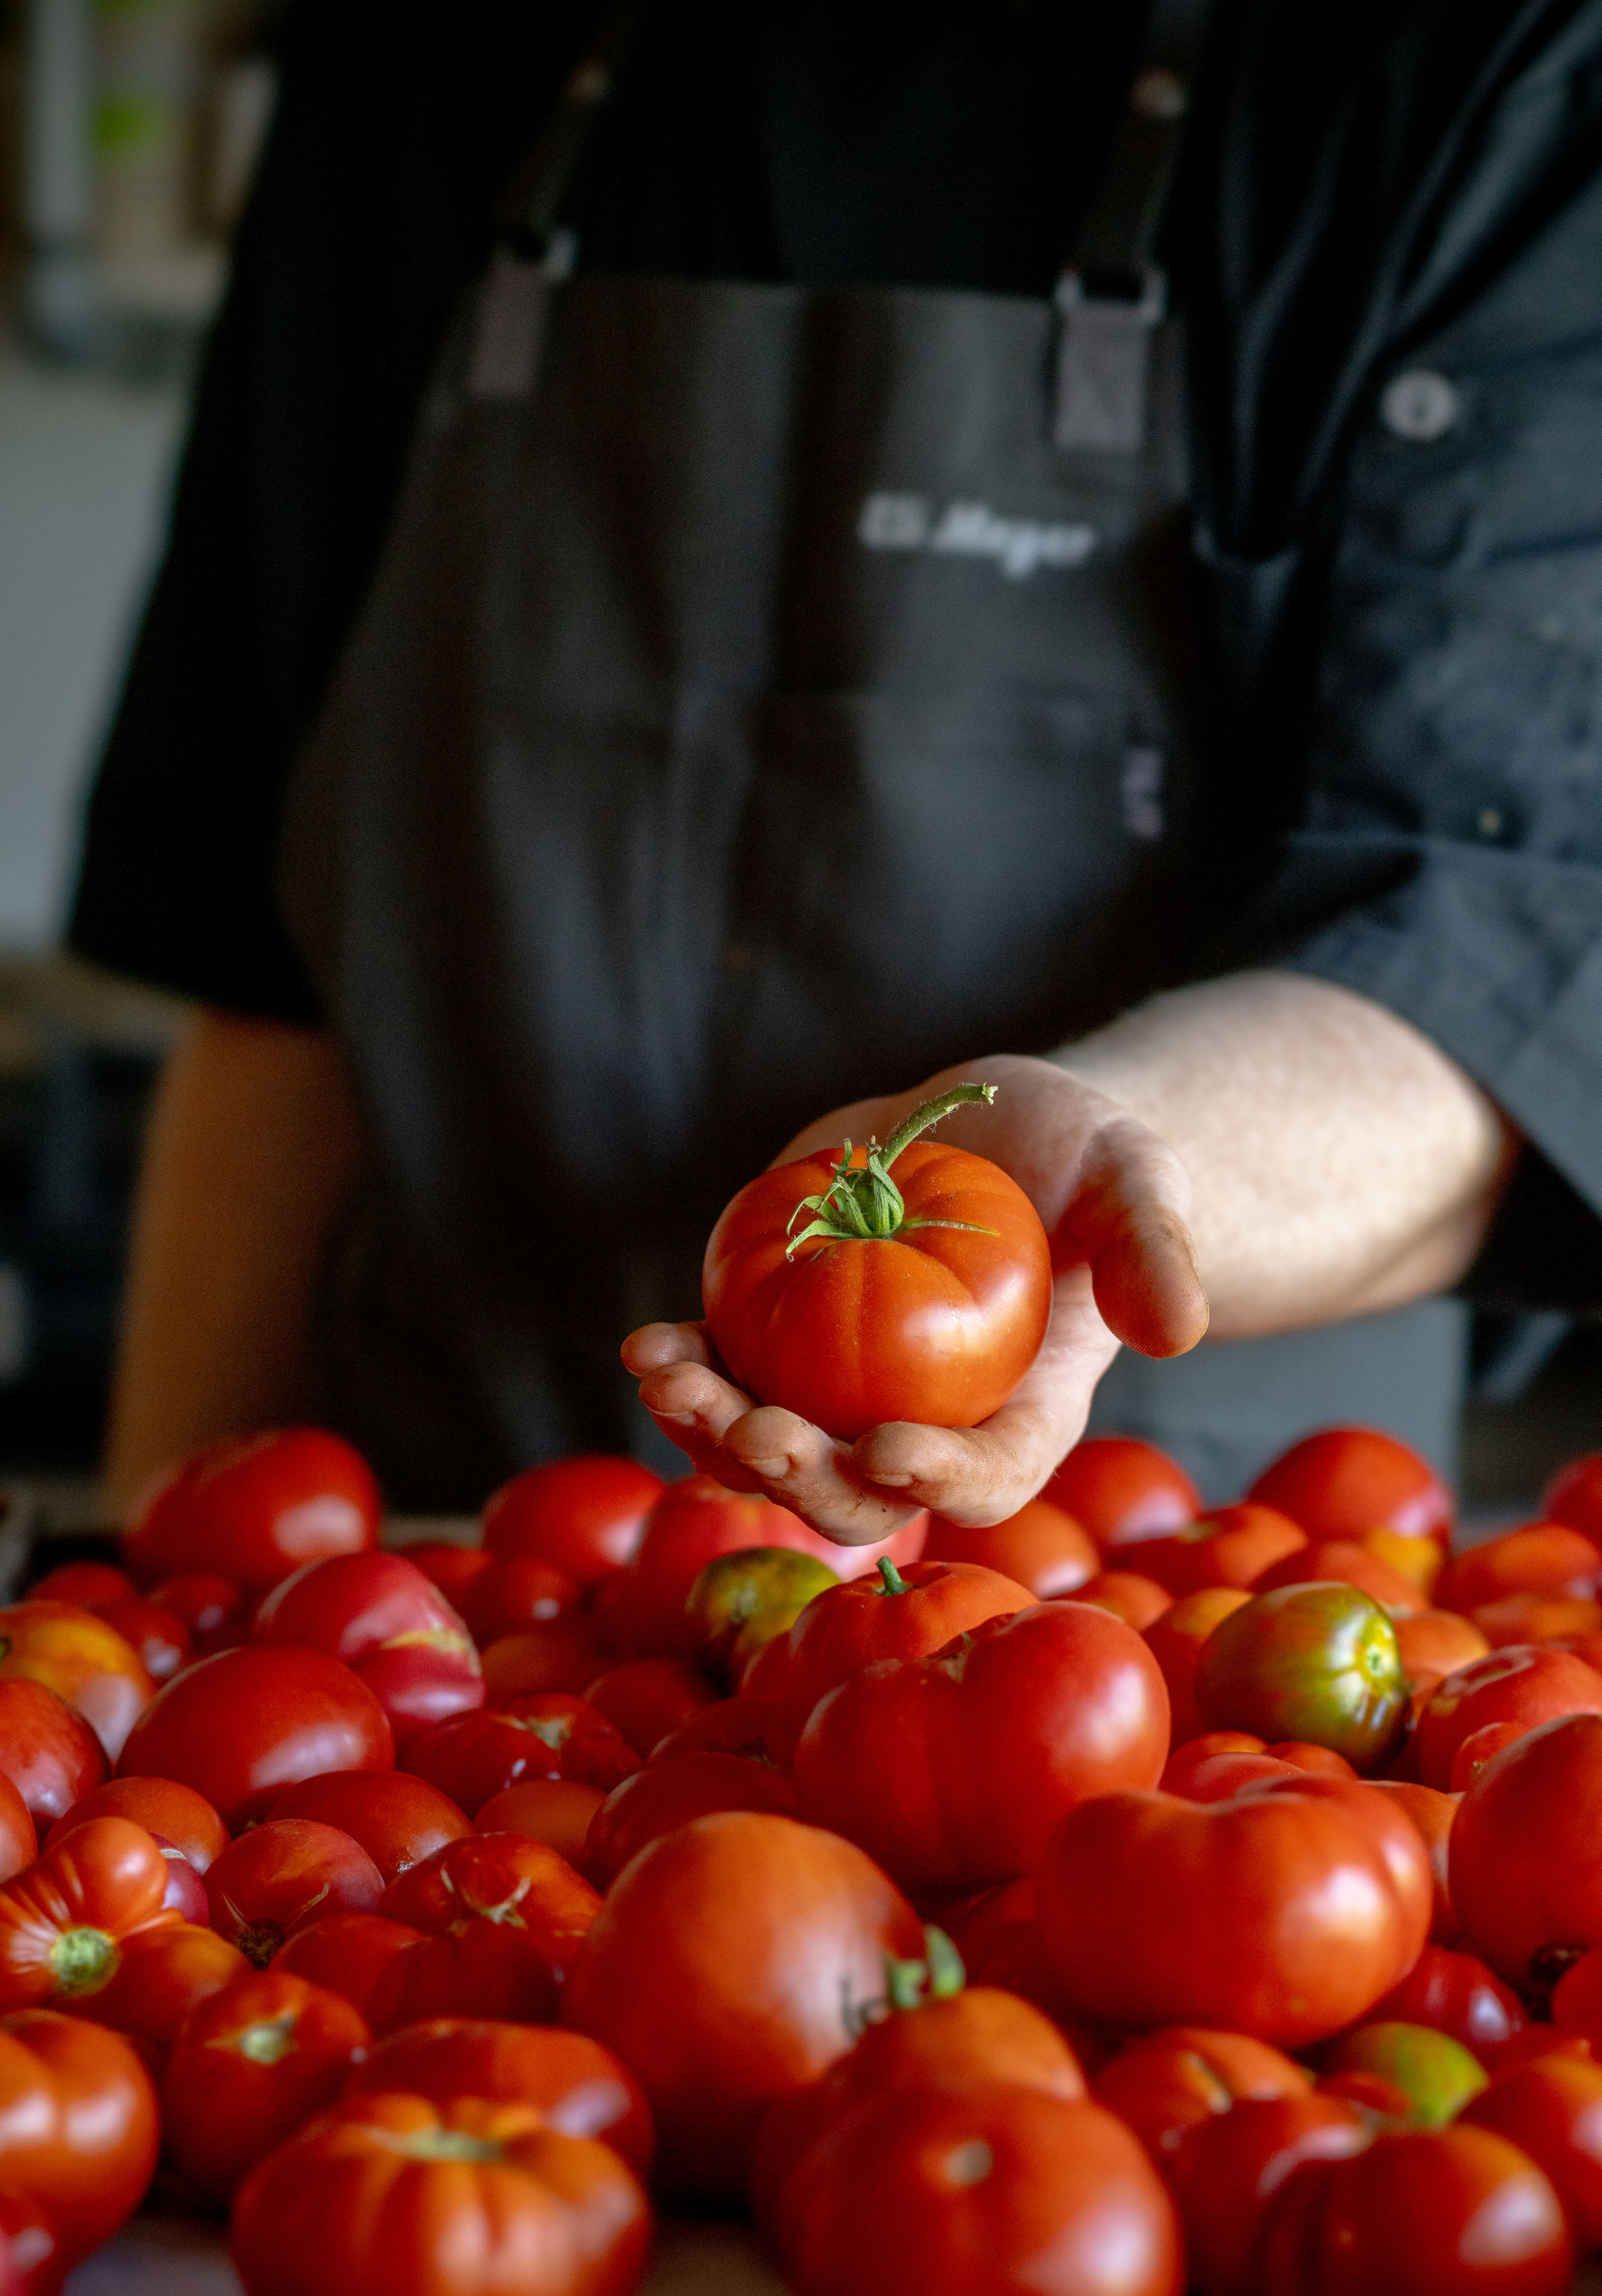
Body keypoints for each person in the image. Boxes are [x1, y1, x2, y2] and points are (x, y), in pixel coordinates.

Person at [72, 1, 1602, 1539]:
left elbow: (1486, 971)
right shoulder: (428, 47)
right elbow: (262, 964)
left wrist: (1100, 1170)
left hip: (1177, 1620)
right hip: (449, 1608)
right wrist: (166, 1592)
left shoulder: (1466, 58)